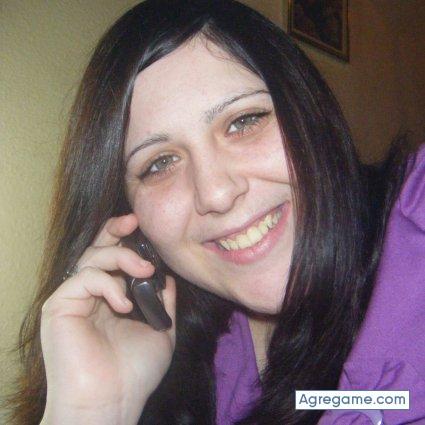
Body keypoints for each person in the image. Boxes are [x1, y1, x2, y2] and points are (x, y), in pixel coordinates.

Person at [3, 1, 424, 424]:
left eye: (244, 121)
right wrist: (93, 409)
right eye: (159, 163)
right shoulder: (191, 356)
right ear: (130, 221)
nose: (217, 194)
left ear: (310, 111)